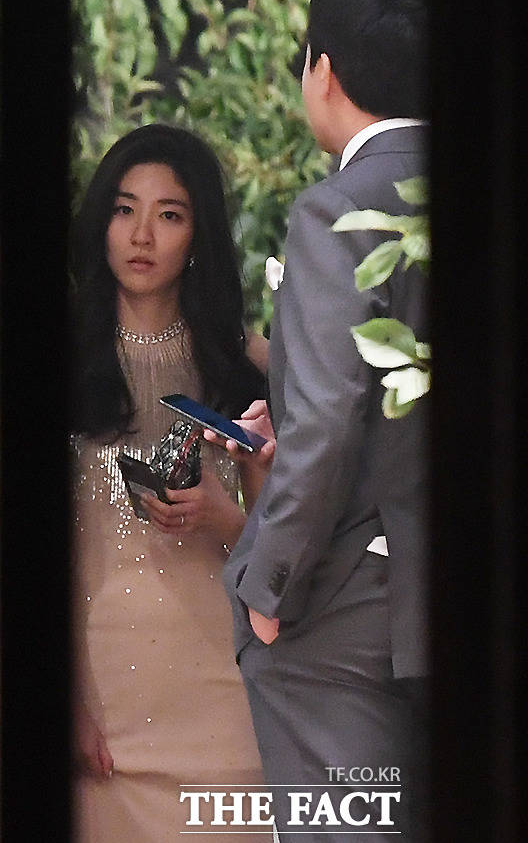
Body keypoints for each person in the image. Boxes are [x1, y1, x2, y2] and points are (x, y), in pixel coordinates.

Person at [218, 0, 431, 841]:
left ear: (324, 70)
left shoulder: (340, 208)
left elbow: (331, 418)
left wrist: (269, 588)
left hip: (351, 610)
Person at [69, 123, 271, 841]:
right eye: (125, 209)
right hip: (101, 701)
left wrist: (221, 517)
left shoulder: (247, 365)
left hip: (224, 701)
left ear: (198, 235)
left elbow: (282, 561)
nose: (142, 235)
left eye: (170, 214)